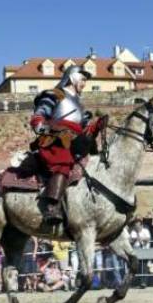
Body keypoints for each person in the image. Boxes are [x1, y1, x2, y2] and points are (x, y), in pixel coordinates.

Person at [29, 65, 107, 225]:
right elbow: (37, 121)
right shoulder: (55, 95)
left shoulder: (79, 104)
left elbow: (84, 131)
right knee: (63, 160)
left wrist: (96, 126)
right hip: (54, 140)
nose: (84, 84)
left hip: (74, 140)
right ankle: (52, 206)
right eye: (82, 79)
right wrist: (54, 131)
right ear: (72, 77)